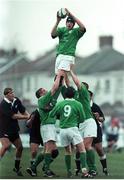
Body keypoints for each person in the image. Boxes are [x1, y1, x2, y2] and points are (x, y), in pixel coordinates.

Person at [27, 73, 63, 178]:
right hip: (47, 126)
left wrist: (61, 81)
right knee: (49, 149)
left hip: (50, 126)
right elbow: (53, 89)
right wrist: (58, 78)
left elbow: (57, 90)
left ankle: (33, 167)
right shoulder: (42, 100)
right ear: (40, 94)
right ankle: (46, 170)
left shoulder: (49, 98)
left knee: (53, 150)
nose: (45, 90)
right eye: (42, 90)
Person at [49, 86, 91, 178]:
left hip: (63, 130)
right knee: (82, 150)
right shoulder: (78, 104)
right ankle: (84, 172)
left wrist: (61, 117)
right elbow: (83, 118)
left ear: (65, 94)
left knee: (68, 152)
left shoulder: (60, 103)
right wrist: (75, 119)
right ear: (74, 94)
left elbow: (51, 114)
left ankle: (69, 172)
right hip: (73, 129)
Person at [70, 71, 97, 176]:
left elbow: (76, 82)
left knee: (86, 146)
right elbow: (69, 85)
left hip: (89, 121)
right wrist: (63, 75)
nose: (80, 86)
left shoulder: (84, 93)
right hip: (81, 124)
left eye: (82, 86)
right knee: (82, 147)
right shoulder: (76, 95)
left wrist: (70, 71)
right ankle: (87, 168)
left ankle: (90, 169)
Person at [0, 87, 30, 176]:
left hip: (13, 130)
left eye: (13, 92)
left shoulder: (16, 100)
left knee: (20, 148)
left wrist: (29, 116)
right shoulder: (3, 104)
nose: (13, 94)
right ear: (6, 95)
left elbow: (23, 110)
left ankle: (16, 168)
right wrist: (26, 117)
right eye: (10, 93)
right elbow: (13, 116)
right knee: (6, 146)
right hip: (3, 129)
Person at [51, 8, 86, 77]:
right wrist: (57, 21)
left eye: (71, 22)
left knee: (60, 76)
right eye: (68, 22)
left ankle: (54, 88)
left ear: (73, 24)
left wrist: (70, 14)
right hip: (59, 56)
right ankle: (64, 87)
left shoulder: (75, 32)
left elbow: (83, 28)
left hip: (68, 56)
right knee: (58, 77)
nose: (69, 23)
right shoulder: (62, 30)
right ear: (66, 23)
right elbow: (52, 34)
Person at [89, 90, 109, 176]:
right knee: (81, 150)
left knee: (99, 150)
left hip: (96, 130)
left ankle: (104, 168)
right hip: (84, 130)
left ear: (91, 96)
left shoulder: (95, 106)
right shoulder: (81, 105)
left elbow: (103, 119)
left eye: (88, 95)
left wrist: (98, 118)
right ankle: (79, 169)